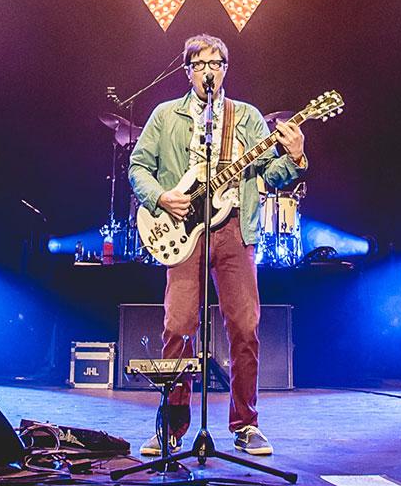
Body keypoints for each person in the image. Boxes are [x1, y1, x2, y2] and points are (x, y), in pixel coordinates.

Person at [128, 33, 304, 457]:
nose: (209, 70)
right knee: (178, 326)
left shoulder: (245, 117)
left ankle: (246, 425)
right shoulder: (165, 116)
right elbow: (138, 167)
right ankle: (171, 428)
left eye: (217, 62)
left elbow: (274, 174)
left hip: (233, 230)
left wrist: (295, 157)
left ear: (226, 68)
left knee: (245, 326)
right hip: (182, 231)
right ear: (187, 71)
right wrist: (160, 197)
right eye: (201, 63)